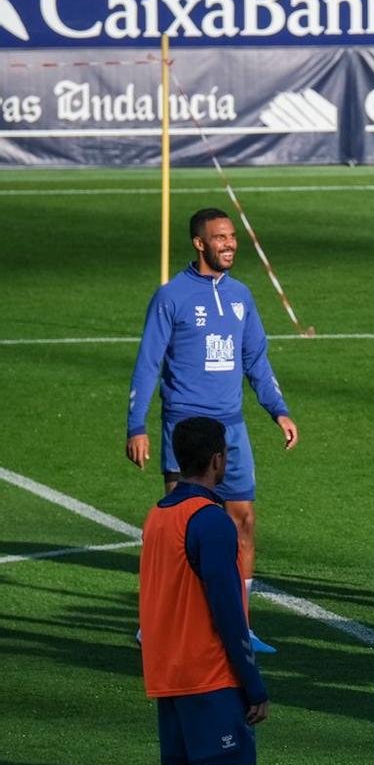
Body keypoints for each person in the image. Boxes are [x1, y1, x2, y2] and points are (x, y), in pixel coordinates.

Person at [127, 207, 298, 655]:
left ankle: (239, 628)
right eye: (220, 237)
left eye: (232, 237)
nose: (229, 244)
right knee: (178, 530)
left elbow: (255, 360)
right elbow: (148, 362)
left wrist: (278, 411)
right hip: (184, 425)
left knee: (242, 522)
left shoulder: (242, 296)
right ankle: (156, 623)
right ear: (199, 243)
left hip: (232, 429)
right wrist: (137, 425)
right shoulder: (171, 297)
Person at [141, 416, 270, 765]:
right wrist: (252, 682)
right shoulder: (211, 521)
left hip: (166, 667)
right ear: (219, 459)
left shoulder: (157, 515)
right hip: (206, 670)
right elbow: (227, 609)